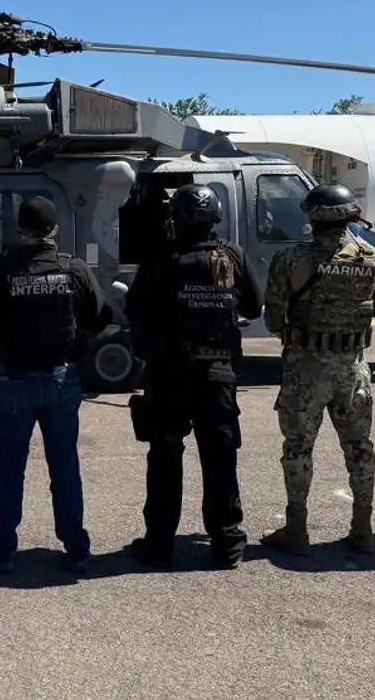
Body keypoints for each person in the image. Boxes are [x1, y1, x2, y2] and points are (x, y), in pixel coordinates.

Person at [122, 183, 262, 570]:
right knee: (220, 459)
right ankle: (228, 544)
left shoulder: (162, 258)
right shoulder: (232, 255)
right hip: (218, 373)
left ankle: (159, 545)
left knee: (165, 457)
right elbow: (254, 305)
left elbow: (135, 308)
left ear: (176, 218)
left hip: (170, 374)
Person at [0, 196, 112, 574]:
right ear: (55, 230)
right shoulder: (72, 268)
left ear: (19, 229)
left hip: (14, 380)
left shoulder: (1, 270)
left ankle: (2, 550)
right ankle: (76, 548)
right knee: (64, 466)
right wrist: (79, 342)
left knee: (9, 468)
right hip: (61, 378)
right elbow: (102, 315)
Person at [260, 182, 375, 555]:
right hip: (352, 368)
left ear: (312, 217)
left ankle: (297, 530)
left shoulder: (291, 259)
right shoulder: (372, 258)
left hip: (306, 368)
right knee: (359, 447)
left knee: (298, 447)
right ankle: (363, 530)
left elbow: (273, 319)